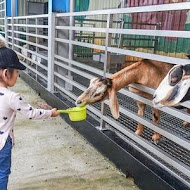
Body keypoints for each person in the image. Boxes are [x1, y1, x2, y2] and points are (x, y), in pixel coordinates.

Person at [0, 35, 59, 190]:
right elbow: (31, 113)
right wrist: (50, 113)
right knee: (2, 173)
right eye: (17, 72)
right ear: (6, 73)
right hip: (2, 145)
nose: (17, 76)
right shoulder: (12, 97)